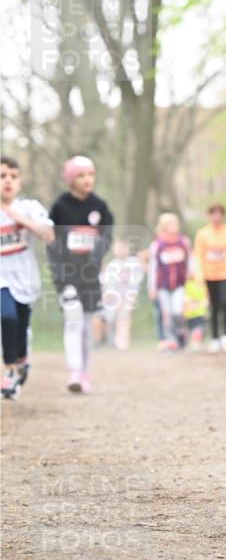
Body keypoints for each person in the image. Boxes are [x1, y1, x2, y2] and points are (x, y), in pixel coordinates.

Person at [47, 155, 114, 394]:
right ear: (71, 180)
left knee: (86, 325)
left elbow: (107, 237)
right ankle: (73, 371)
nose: (87, 180)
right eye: (81, 175)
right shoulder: (60, 207)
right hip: (67, 275)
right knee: (73, 322)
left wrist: (96, 257)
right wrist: (59, 276)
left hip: (90, 277)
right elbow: (51, 242)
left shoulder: (100, 206)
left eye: (91, 175)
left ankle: (84, 372)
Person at [1, 156, 54, 399]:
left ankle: (20, 363)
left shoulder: (29, 208)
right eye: (2, 176)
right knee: (7, 316)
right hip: (2, 279)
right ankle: (10, 369)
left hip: (25, 279)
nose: (7, 181)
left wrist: (19, 218)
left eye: (13, 176)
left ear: (20, 182)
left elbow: (48, 235)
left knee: (21, 327)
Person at [193, 203, 226, 353]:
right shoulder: (202, 234)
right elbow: (198, 255)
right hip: (209, 274)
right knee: (213, 306)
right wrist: (199, 276)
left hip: (225, 273)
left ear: (223, 215)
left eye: (219, 213)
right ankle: (214, 338)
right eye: (213, 213)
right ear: (209, 216)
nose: (216, 216)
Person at [148, 213, 190, 352]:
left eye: (175, 223)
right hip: (163, 285)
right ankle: (170, 341)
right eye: (171, 224)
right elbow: (153, 267)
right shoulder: (157, 245)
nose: (174, 227)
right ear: (164, 227)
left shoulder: (183, 242)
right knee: (167, 314)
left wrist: (191, 274)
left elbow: (189, 261)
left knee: (177, 311)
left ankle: (181, 334)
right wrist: (152, 287)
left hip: (179, 284)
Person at [100, 239, 144, 350]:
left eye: (123, 248)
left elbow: (138, 277)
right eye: (118, 249)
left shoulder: (134, 262)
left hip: (128, 296)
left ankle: (122, 342)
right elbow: (107, 282)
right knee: (111, 318)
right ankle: (111, 339)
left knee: (124, 318)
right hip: (114, 297)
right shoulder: (112, 265)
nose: (121, 251)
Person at [183, 274, 208, 351]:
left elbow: (205, 299)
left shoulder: (203, 285)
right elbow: (185, 298)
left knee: (198, 329)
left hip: (200, 312)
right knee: (192, 329)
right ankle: (192, 343)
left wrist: (205, 310)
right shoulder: (187, 285)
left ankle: (197, 343)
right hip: (190, 313)